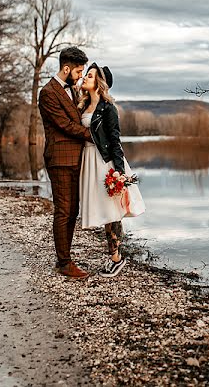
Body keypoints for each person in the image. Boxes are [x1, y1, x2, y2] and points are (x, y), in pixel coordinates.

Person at [77, 63, 146, 278]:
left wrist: (119, 172)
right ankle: (114, 256)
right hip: (89, 160)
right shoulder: (83, 105)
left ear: (99, 83)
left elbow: (115, 141)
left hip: (105, 162)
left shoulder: (108, 109)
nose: (84, 78)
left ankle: (116, 259)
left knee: (112, 212)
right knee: (106, 211)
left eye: (89, 76)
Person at [38, 46, 93, 279]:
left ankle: (66, 257)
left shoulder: (72, 90)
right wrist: (93, 135)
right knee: (64, 211)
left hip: (75, 158)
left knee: (73, 210)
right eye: (78, 71)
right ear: (66, 68)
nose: (80, 75)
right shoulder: (48, 92)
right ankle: (63, 262)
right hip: (60, 159)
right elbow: (65, 125)